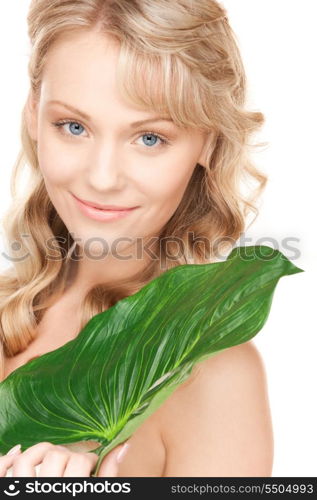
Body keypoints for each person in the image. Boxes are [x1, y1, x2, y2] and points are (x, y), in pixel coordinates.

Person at [0, 0, 273, 477]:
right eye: (74, 126)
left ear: (208, 140)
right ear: (33, 115)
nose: (102, 178)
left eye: (149, 138)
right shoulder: (9, 308)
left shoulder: (212, 375)